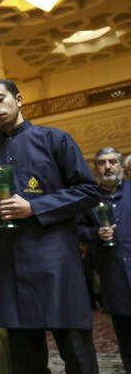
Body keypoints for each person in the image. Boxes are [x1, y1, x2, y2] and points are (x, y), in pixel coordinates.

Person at [0, 79, 101, 374]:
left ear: (18, 99)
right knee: (25, 363)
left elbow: (89, 191)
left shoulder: (55, 140)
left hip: (58, 265)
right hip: (10, 270)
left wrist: (35, 207)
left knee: (78, 356)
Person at [78, 147, 131, 372]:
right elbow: (78, 230)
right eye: (101, 163)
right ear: (96, 168)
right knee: (126, 336)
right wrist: (95, 234)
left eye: (112, 162)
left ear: (121, 166)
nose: (107, 167)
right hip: (113, 275)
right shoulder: (89, 199)